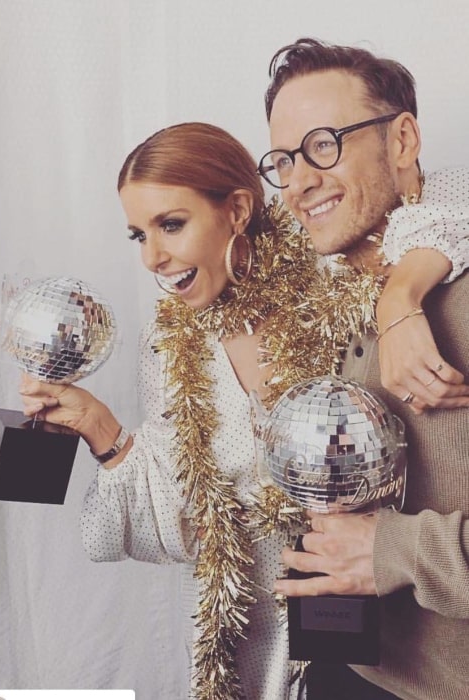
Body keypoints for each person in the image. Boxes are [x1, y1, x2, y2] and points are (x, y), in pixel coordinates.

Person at [20, 122, 467, 700]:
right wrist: (103, 432)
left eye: (171, 224)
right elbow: (183, 533)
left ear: (236, 210)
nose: (153, 257)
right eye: (138, 235)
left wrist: (401, 295)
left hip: (369, 649)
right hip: (242, 646)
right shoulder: (172, 344)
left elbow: (452, 193)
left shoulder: (335, 284)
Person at [259, 37, 469, 700]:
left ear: (402, 140)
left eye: (325, 145)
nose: (298, 182)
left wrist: (396, 551)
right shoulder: (323, 294)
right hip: (347, 669)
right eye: (284, 160)